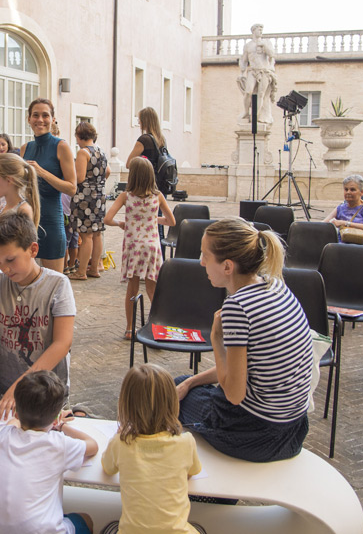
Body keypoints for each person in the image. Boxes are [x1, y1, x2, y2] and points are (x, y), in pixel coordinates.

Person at [176, 217, 313, 462]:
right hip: (293, 431)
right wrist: (191, 383)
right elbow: (245, 370)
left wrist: (216, 339)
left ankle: (200, 484)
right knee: (184, 384)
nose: (201, 262)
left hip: (255, 436)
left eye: (205, 256)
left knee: (164, 395)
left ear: (227, 266)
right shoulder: (276, 285)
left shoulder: (238, 308)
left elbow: (234, 395)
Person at [0, 213, 77, 420]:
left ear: (33, 249)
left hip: (49, 400)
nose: (5, 269)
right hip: (5, 395)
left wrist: (20, 387)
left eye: (10, 260)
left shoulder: (58, 285)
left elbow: (62, 343)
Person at [0, 371, 97, 534]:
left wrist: (28, 417)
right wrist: (62, 426)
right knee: (85, 519)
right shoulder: (58, 444)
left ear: (17, 410)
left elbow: (13, 422)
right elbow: (92, 445)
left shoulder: (5, 436)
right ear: (55, 416)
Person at [101, 363, 204, 534]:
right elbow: (192, 472)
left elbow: (108, 468)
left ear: (126, 405)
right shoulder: (186, 442)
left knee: (109, 526)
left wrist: (119, 435)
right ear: (172, 403)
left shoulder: (121, 443)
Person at [104, 157, 176, 340]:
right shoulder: (157, 196)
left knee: (132, 288)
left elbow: (107, 219)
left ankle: (129, 329)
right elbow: (171, 221)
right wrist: (152, 219)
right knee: (152, 289)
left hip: (133, 246)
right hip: (151, 246)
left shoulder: (126, 196)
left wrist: (122, 223)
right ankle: (157, 328)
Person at [21, 98, 77, 273]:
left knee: (54, 287)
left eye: (45, 115)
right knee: (28, 285)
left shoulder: (61, 146)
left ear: (52, 119)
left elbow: (71, 188)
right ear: (29, 119)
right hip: (28, 223)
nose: (40, 120)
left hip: (52, 222)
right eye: (35, 115)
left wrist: (41, 171)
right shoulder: (25, 148)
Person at [69, 122, 109, 282]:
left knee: (86, 236)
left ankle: (81, 271)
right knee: (97, 233)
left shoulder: (83, 153)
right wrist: (97, 183)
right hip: (99, 196)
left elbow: (78, 177)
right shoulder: (101, 151)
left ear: (79, 136)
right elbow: (108, 171)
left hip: (85, 198)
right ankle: (94, 268)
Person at [126, 106, 169, 239]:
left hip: (146, 187)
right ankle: (160, 254)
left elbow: (129, 163)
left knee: (145, 222)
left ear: (145, 121)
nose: (138, 122)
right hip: (160, 186)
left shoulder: (144, 139)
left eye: (140, 120)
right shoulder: (161, 139)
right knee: (158, 222)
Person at [237, 23, 278, 124]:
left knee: (261, 94)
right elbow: (245, 60)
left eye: (261, 29)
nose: (260, 31)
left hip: (264, 71)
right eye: (258, 29)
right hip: (252, 71)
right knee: (248, 92)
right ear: (253, 31)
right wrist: (242, 72)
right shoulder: (248, 46)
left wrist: (264, 46)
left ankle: (256, 116)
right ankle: (246, 112)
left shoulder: (266, 43)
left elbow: (272, 54)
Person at [323, 174, 363, 241]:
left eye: (352, 190)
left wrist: (345, 223)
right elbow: (323, 224)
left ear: (362, 192)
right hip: (340, 245)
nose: (348, 192)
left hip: (360, 246)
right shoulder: (341, 207)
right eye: (346, 189)